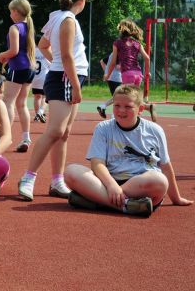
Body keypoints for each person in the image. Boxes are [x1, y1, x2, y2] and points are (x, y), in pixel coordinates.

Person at [65, 84, 192, 216]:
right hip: (109, 181)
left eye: (128, 106)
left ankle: (98, 200)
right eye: (117, 105)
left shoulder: (155, 130)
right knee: (71, 171)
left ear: (140, 109)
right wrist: (112, 186)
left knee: (160, 181)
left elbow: (165, 167)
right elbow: (97, 164)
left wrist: (176, 198)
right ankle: (127, 206)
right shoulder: (103, 128)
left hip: (141, 185)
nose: (121, 110)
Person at [17, 0, 89, 201]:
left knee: (63, 133)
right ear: (82, 1)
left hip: (65, 75)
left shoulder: (57, 17)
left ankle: (57, 181)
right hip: (65, 78)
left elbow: (43, 46)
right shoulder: (68, 20)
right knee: (56, 131)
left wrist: (58, 63)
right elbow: (66, 55)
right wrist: (74, 84)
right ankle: (28, 178)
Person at [0, 0, 36, 152]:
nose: (10, 15)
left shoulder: (15, 28)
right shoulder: (29, 27)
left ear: (16, 11)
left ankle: (4, 137)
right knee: (22, 103)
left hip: (18, 68)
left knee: (7, 102)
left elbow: (14, 50)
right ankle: (26, 137)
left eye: (10, 11)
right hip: (30, 68)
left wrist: (2, 55)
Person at [104, 19, 156, 122]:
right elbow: (147, 58)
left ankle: (147, 107)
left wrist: (107, 75)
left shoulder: (117, 43)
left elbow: (113, 62)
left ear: (121, 30)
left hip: (127, 73)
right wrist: (147, 72)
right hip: (138, 74)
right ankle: (140, 114)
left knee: (123, 96)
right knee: (134, 97)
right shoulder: (137, 43)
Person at [31, 35, 51, 123]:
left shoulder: (32, 51)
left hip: (34, 77)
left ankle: (37, 116)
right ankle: (41, 111)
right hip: (44, 77)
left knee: (37, 97)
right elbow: (50, 63)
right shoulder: (45, 51)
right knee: (45, 96)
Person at [96, 53, 122, 119]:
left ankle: (102, 106)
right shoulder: (119, 53)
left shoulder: (113, 53)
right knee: (118, 97)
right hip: (117, 78)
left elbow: (102, 61)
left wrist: (107, 73)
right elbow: (118, 67)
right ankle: (113, 115)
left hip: (112, 78)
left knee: (117, 97)